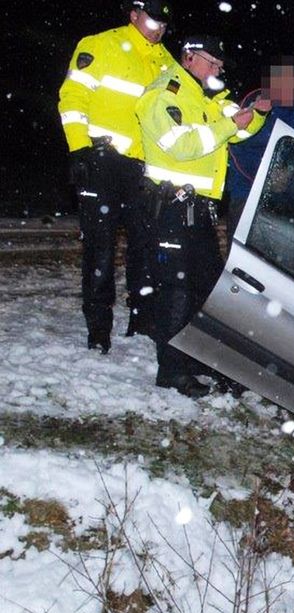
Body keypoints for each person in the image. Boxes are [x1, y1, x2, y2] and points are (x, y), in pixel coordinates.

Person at [136, 35, 268, 397]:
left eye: (220, 67)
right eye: (212, 63)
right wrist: (230, 125)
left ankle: (199, 359)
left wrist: (257, 112)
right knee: (176, 291)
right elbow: (182, 146)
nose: (217, 71)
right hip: (171, 209)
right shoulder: (163, 94)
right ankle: (172, 369)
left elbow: (239, 129)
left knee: (207, 290)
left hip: (201, 211)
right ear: (189, 57)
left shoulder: (207, 98)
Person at [57, 0, 176, 353]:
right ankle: (98, 331)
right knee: (101, 250)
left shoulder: (166, 61)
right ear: (134, 14)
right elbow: (72, 96)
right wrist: (79, 148)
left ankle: (142, 320)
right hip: (102, 162)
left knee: (145, 247)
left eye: (164, 24)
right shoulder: (100, 45)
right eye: (153, 20)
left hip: (143, 171)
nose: (158, 28)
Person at [225, 56, 294, 236]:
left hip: (289, 201)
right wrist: (268, 177)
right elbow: (236, 147)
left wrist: (290, 171)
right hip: (248, 194)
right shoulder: (257, 103)